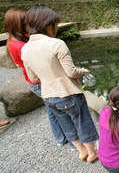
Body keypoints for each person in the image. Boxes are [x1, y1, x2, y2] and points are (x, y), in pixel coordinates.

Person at [20, 6, 98, 162]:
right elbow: (71, 72)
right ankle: (92, 153)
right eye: (56, 24)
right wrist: (82, 71)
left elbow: (33, 77)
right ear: (48, 25)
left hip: (48, 96)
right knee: (82, 122)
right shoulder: (57, 44)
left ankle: (81, 151)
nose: (56, 28)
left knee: (66, 124)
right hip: (68, 94)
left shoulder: (25, 48)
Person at [4, 8, 76, 150]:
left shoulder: (14, 42)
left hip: (36, 82)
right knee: (62, 114)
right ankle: (74, 143)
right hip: (41, 82)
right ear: (18, 24)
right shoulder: (22, 46)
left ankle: (61, 138)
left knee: (53, 111)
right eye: (26, 22)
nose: (31, 24)